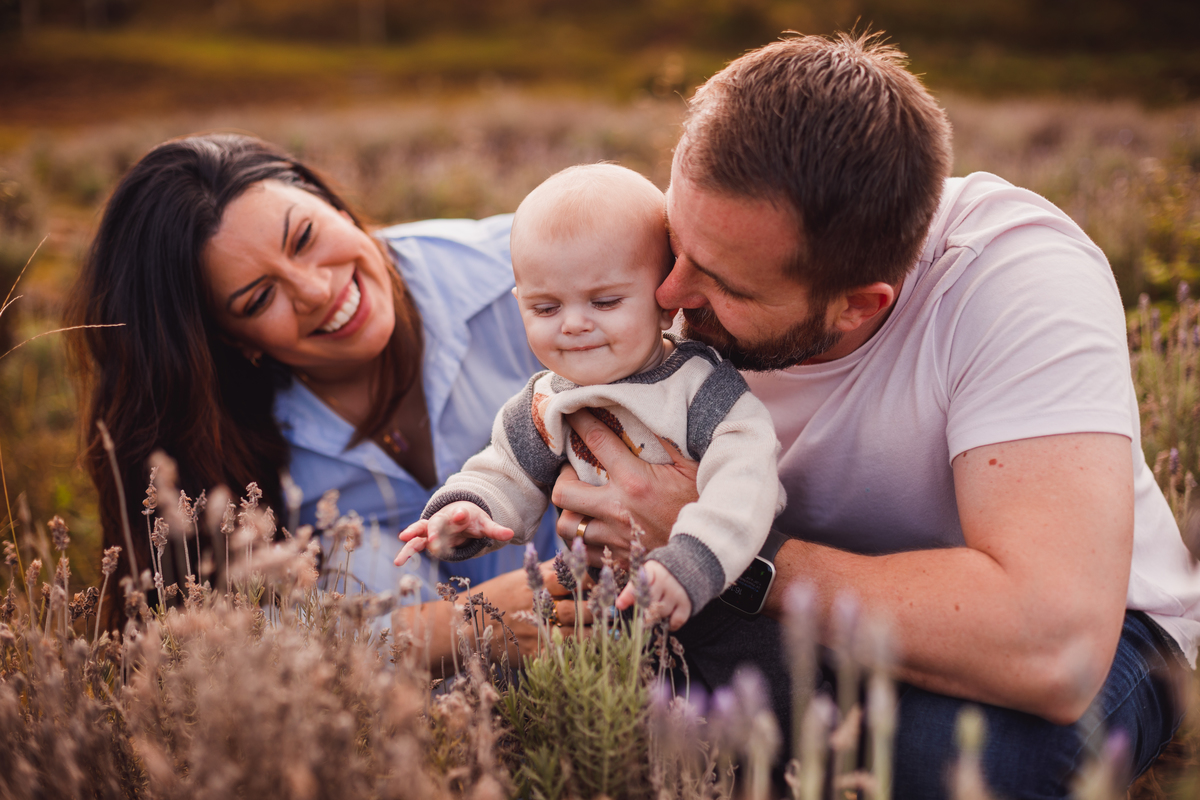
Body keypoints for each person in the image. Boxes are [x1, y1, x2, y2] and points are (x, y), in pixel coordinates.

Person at [551, 33, 1199, 796]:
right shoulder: (691, 270)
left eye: (724, 282)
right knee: (618, 681)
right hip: (795, 607)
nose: (670, 295)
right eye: (675, 242)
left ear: (861, 304)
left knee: (972, 763)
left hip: (1087, 634)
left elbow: (1053, 648)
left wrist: (733, 550)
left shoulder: (1016, 279)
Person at [66, 132, 562, 655]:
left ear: (328, 203)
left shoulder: (529, 270)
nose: (317, 291)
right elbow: (233, 648)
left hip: (633, 647)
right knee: (354, 560)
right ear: (234, 340)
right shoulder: (228, 453)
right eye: (260, 298)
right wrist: (463, 626)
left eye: (303, 237)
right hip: (439, 723)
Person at [395, 163, 786, 629]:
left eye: (604, 303)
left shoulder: (697, 387)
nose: (574, 323)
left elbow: (748, 477)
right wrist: (471, 510)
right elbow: (506, 470)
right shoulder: (543, 400)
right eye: (545, 307)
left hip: (721, 605)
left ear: (667, 303)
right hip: (604, 609)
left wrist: (692, 559)